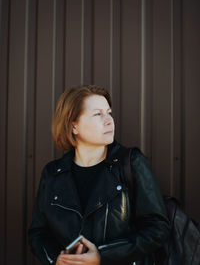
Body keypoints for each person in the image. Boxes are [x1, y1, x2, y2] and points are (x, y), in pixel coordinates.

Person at [28, 85, 170, 265]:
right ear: (73, 126)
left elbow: (157, 228)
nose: (109, 120)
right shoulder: (53, 173)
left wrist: (102, 256)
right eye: (97, 114)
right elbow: (38, 234)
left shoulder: (132, 163)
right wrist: (57, 259)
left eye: (109, 112)